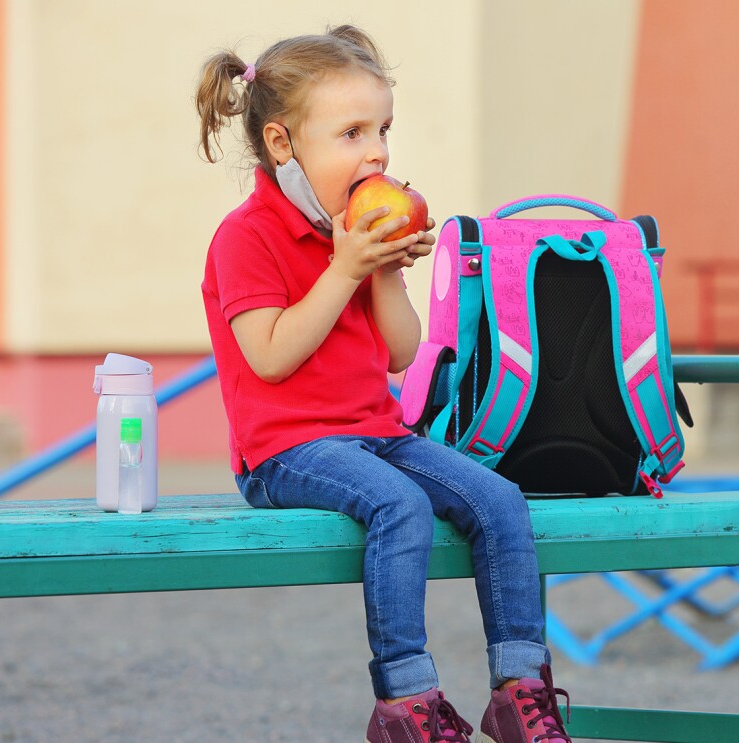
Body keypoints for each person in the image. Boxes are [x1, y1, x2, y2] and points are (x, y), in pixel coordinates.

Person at [194, 25, 571, 743]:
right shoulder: (246, 238)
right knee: (399, 506)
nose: (377, 152)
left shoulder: (355, 231)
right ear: (283, 146)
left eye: (384, 130)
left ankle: (520, 687)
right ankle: (405, 700)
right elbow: (269, 356)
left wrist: (384, 269)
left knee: (499, 499)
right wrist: (343, 268)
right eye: (352, 133)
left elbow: (402, 353)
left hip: (376, 431)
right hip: (285, 450)